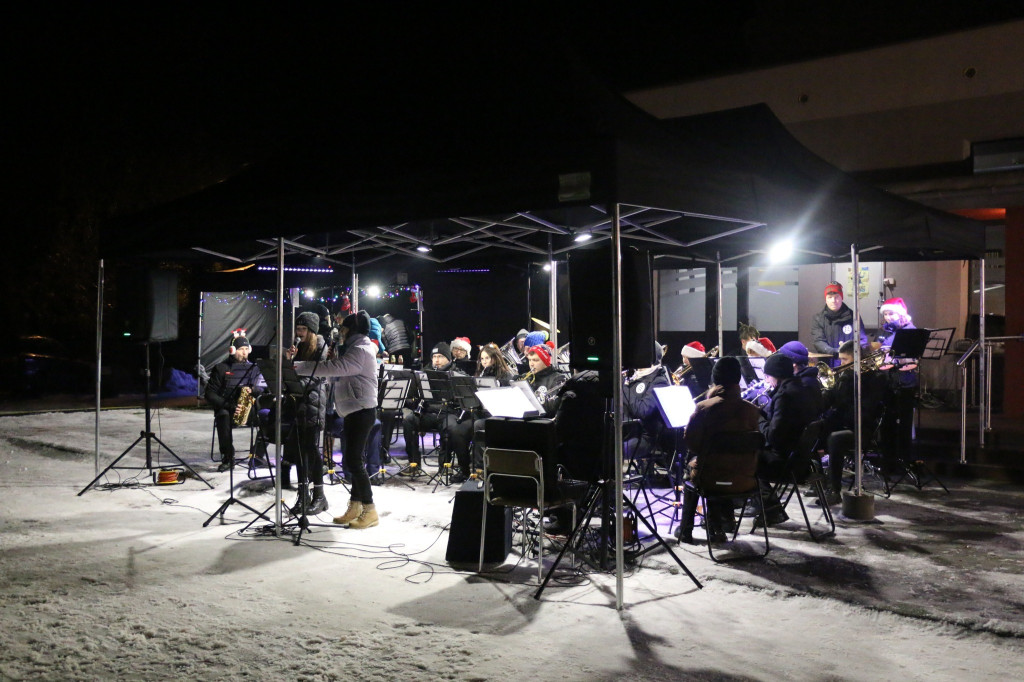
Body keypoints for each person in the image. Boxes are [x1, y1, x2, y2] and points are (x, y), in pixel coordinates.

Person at [294, 310, 380, 529]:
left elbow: (337, 369)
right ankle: (356, 505)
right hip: (353, 410)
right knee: (353, 460)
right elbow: (341, 370)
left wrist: (299, 367)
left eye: (343, 328)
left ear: (352, 330)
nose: (340, 332)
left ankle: (370, 510)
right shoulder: (353, 348)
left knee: (353, 461)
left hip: (362, 411)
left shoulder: (360, 350)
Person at [676, 356, 761, 543]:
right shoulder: (752, 410)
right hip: (745, 480)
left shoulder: (704, 408)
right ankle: (724, 523)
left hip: (711, 480)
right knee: (723, 463)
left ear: (716, 379)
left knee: (694, 469)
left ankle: (685, 529)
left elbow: (692, 444)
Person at [754, 352, 821, 526]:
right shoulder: (802, 389)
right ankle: (763, 506)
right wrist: (763, 413)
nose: (767, 381)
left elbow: (773, 436)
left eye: (768, 376)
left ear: (776, 376)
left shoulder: (785, 396)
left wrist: (757, 419)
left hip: (786, 463)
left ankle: (770, 509)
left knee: (746, 458)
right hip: (802, 459)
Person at [821, 340, 890, 503]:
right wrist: (825, 393)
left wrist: (848, 383)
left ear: (857, 359)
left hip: (861, 428)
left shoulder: (874, 378)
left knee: (835, 439)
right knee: (814, 429)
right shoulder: (844, 376)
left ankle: (834, 490)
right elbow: (830, 402)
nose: (840, 364)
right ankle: (819, 481)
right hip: (842, 424)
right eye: (840, 360)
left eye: (845, 360)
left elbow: (864, 412)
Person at [282, 310, 329, 515]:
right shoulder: (299, 348)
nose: (299, 333)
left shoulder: (321, 347)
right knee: (301, 451)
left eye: (302, 329)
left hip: (313, 404)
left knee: (311, 450)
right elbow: (291, 374)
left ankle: (319, 496)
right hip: (298, 405)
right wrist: (288, 360)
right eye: (298, 329)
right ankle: (303, 495)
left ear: (311, 330)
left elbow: (316, 377)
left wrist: (295, 382)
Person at [399, 341, 463, 477]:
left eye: (440, 356)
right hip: (428, 412)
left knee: (450, 427)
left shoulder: (457, 373)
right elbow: (413, 395)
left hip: (448, 412)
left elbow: (462, 399)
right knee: (408, 421)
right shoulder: (424, 373)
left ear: (448, 358)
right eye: (434, 357)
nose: (437, 360)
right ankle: (414, 464)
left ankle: (445, 466)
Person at [205, 336, 266, 472]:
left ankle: (257, 455)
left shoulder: (254, 368)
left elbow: (262, 387)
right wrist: (231, 406)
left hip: (249, 409)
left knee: (267, 415)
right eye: (240, 349)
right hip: (228, 409)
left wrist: (254, 390)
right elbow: (209, 394)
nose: (244, 353)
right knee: (222, 416)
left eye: (246, 349)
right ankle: (228, 458)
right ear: (232, 350)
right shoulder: (221, 368)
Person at [811, 281, 869, 368]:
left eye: (836, 297)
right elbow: (818, 341)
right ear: (825, 299)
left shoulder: (854, 316)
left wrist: (848, 352)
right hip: (827, 365)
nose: (833, 301)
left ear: (842, 297)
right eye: (830, 297)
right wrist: (835, 352)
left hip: (850, 365)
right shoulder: (818, 318)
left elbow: (862, 340)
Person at [520, 343, 566, 416]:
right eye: (530, 360)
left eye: (535, 360)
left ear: (545, 362)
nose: (531, 364)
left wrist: (531, 394)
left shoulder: (558, 378)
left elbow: (553, 408)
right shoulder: (527, 377)